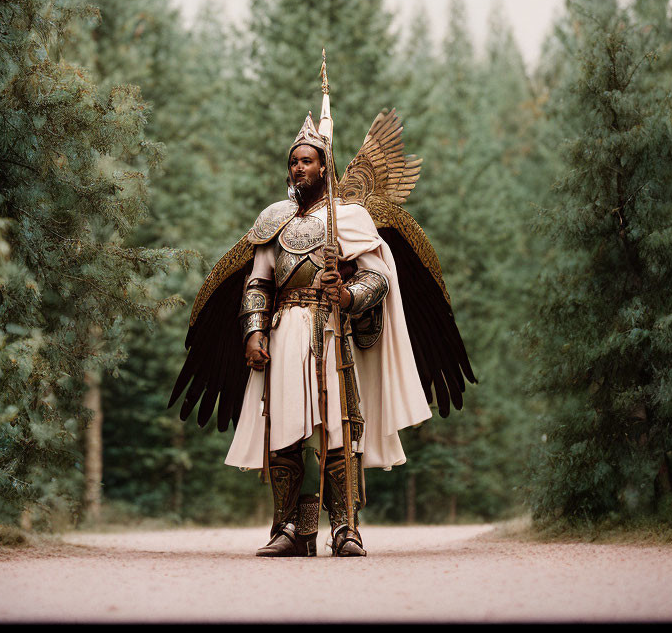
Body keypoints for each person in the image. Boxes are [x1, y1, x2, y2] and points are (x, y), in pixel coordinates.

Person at [168, 53, 476, 557]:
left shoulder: (350, 218)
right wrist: (253, 333)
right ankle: (290, 529)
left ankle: (344, 528)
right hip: (286, 330)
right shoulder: (274, 220)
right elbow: (257, 282)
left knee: (338, 429)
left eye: (307, 159)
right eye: (293, 161)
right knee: (285, 431)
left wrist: (349, 294)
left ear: (324, 165)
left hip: (334, 331)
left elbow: (380, 275)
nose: (298, 167)